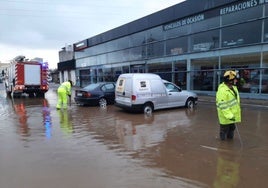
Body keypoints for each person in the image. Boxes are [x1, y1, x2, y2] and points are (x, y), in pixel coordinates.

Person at [216, 70, 241, 140]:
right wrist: (230, 116)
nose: (236, 80)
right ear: (230, 81)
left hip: (232, 116)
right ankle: (222, 148)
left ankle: (229, 143)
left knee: (232, 129)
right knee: (224, 131)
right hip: (226, 117)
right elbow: (223, 106)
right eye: (235, 79)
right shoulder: (222, 91)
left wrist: (233, 115)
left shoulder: (234, 88)